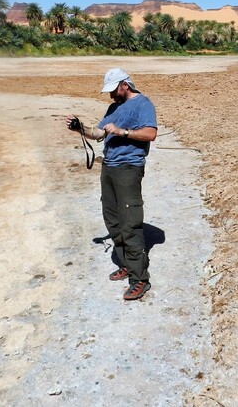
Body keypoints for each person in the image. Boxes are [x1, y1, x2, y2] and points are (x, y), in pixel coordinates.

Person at [65, 68, 158, 301]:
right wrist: (80, 128)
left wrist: (122, 131)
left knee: (130, 222)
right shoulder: (114, 107)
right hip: (109, 167)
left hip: (129, 168)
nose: (110, 95)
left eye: (113, 89)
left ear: (125, 84)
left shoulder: (143, 104)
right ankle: (125, 264)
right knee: (112, 218)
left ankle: (140, 279)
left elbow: (150, 134)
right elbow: (97, 133)